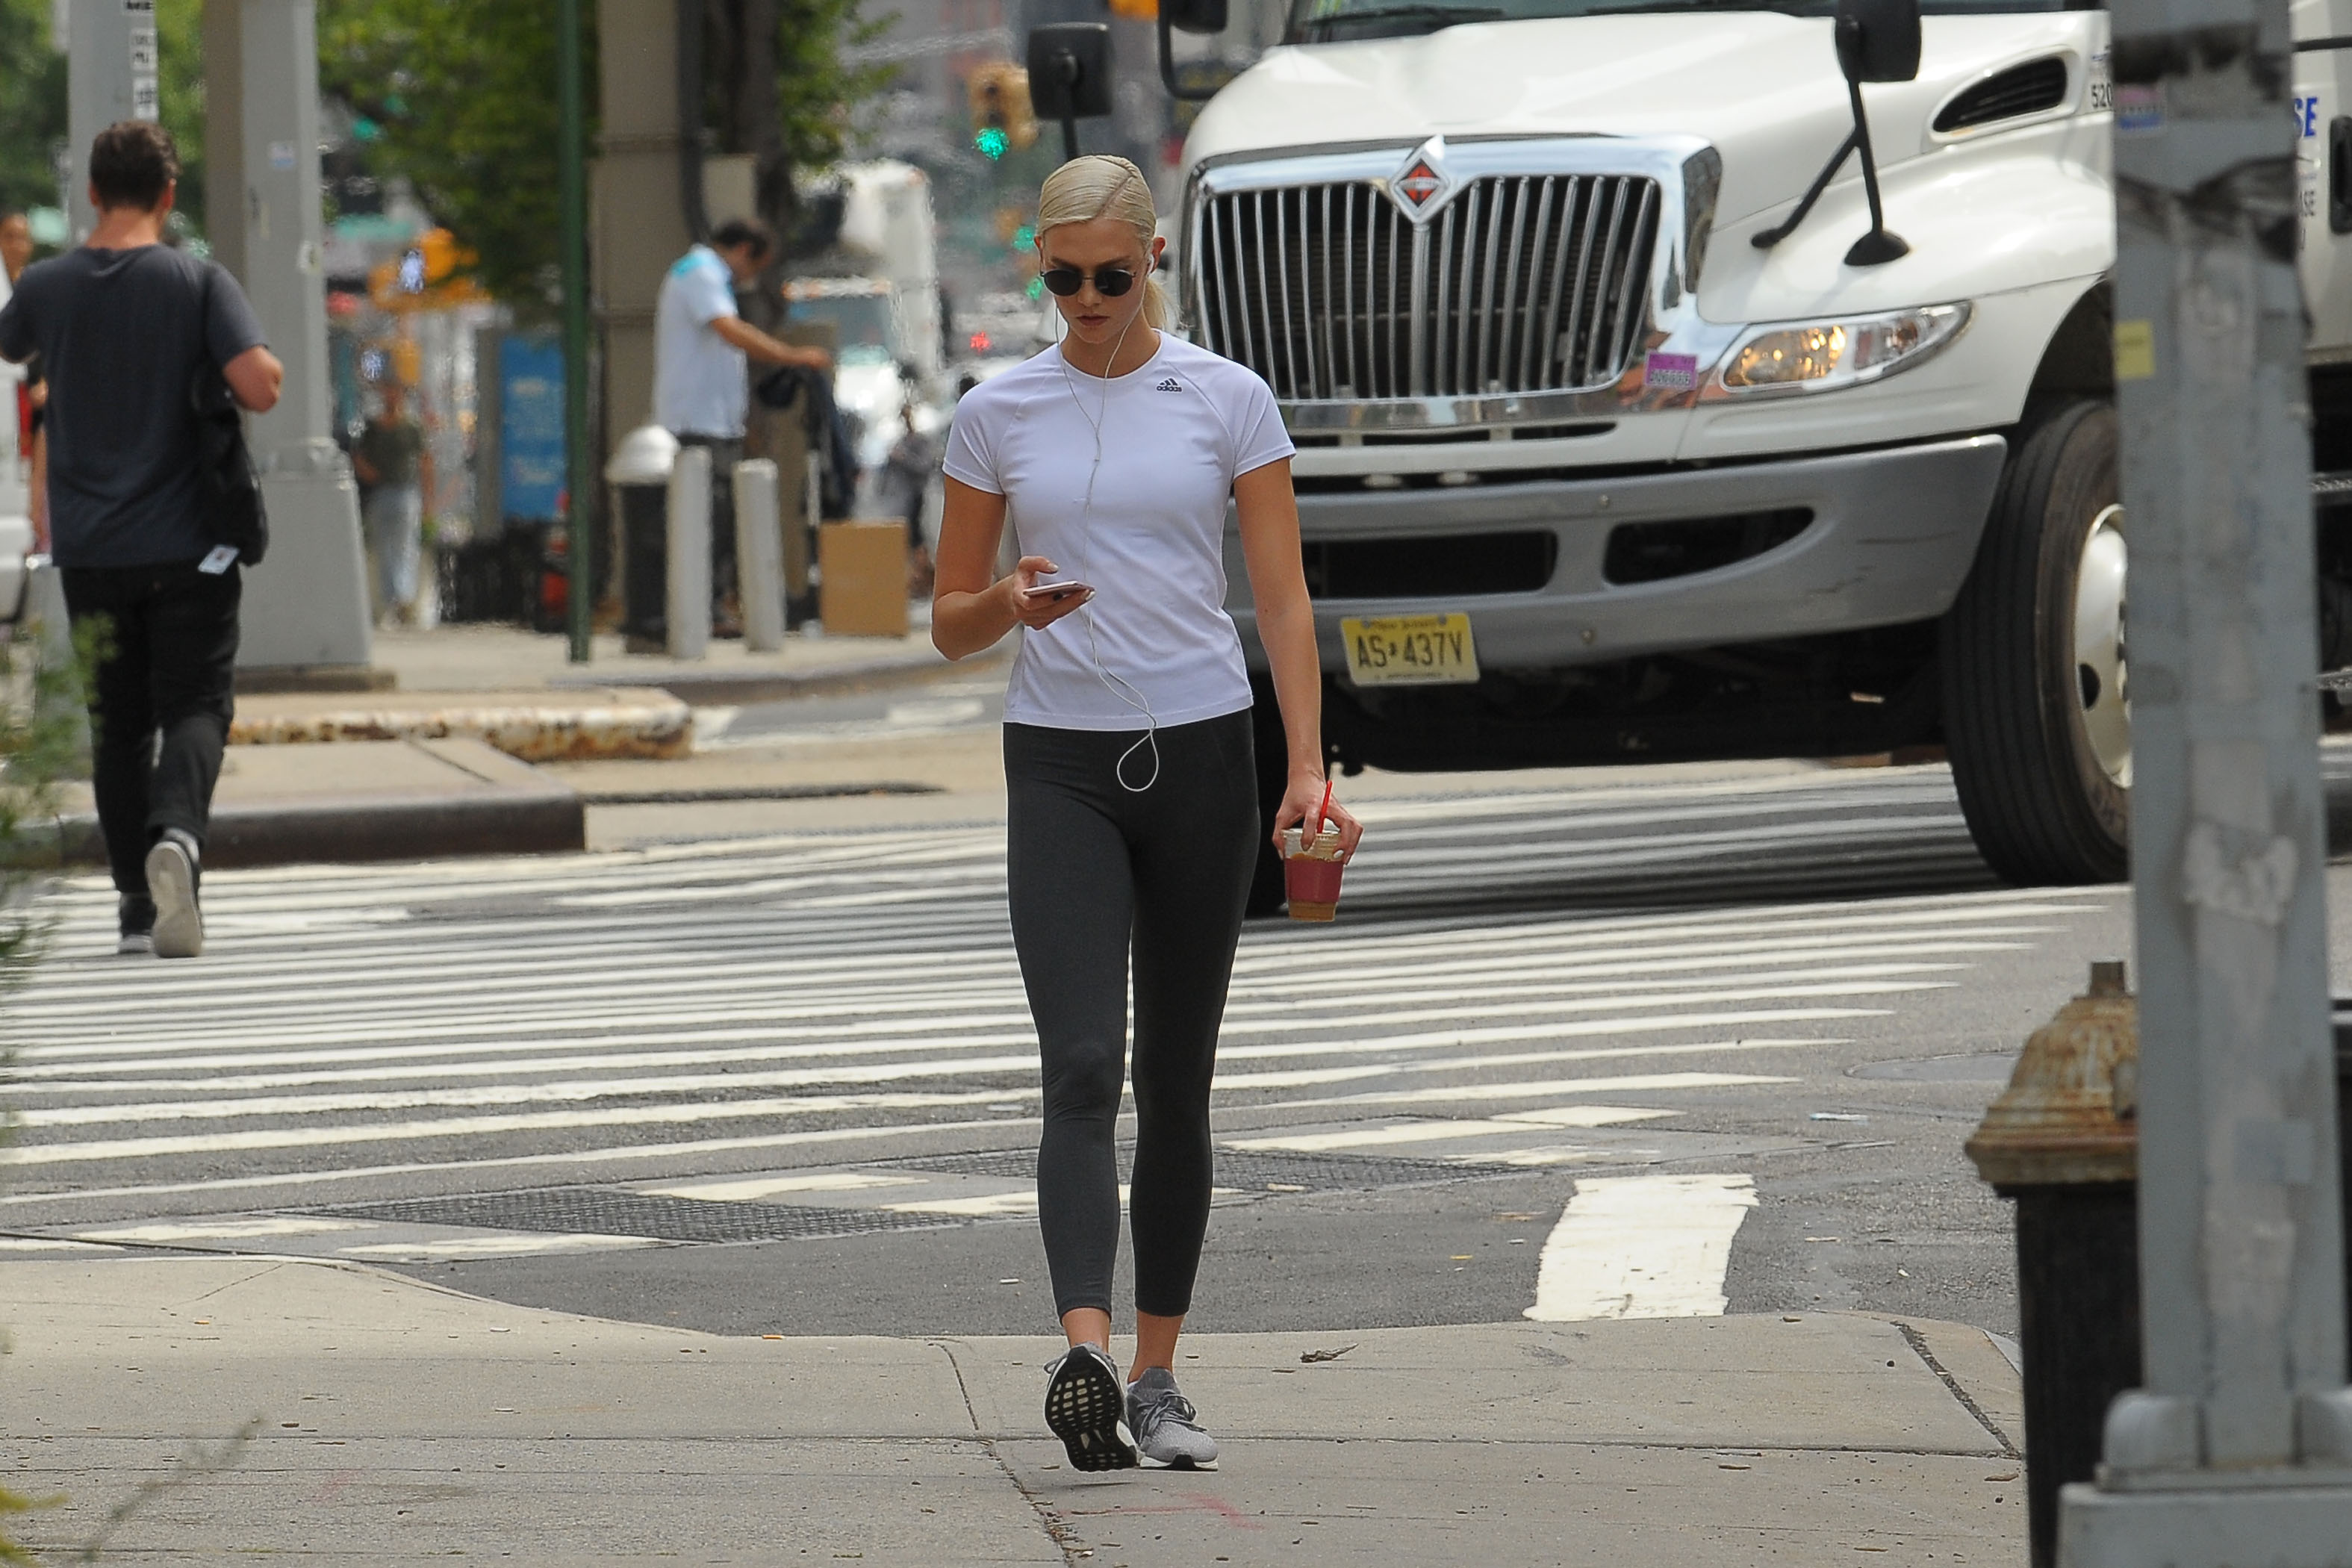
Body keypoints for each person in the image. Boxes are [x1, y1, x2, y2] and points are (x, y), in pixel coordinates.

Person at [932, 156, 1364, 1472]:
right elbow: (949, 623)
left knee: (1178, 1080)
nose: (1085, 299)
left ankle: (1158, 1376)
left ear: (1153, 260)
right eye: (1061, 278)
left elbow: (1279, 598)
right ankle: (1083, 1353)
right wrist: (1009, 602)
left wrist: (1306, 768)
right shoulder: (997, 411)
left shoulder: (1228, 398)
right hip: (1059, 765)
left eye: (1110, 275)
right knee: (1080, 1065)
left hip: (1201, 757)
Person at [0, 122, 283, 959]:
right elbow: (261, 386)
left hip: (91, 550)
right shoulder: (197, 281)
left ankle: (133, 905)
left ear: (92, 192)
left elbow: (10, 343)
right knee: (197, 704)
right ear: (168, 195)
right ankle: (178, 837)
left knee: (118, 725)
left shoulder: (47, 286)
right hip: (190, 546)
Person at [653, 217, 830, 632]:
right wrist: (793, 356)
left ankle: (711, 605)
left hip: (714, 420)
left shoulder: (701, 274)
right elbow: (730, 330)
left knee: (720, 515)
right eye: (756, 267)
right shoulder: (700, 272)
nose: (750, 278)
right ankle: (705, 609)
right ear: (744, 251)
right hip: (697, 421)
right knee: (709, 518)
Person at [351, 378, 429, 623]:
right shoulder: (373, 428)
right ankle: (393, 599)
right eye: (387, 392)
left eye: (395, 392)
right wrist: (368, 473)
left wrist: (429, 499)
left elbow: (425, 461)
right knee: (384, 548)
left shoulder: (412, 427)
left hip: (406, 491)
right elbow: (358, 456)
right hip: (380, 492)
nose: (391, 397)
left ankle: (401, 597)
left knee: (405, 545)